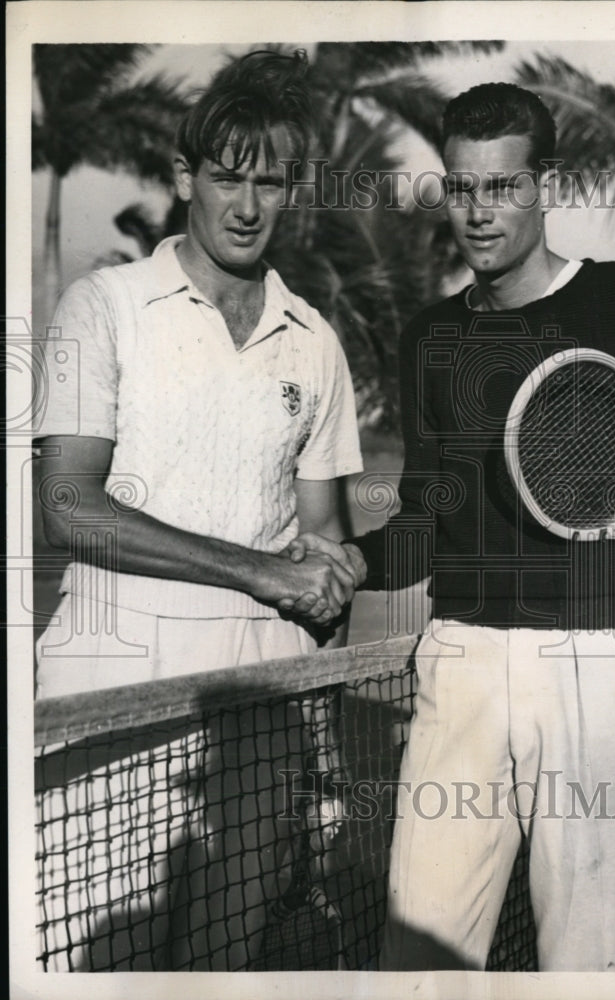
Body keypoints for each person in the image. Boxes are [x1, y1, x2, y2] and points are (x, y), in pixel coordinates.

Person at [285, 82, 615, 971]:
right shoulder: (429, 336)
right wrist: (347, 559)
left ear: (546, 185)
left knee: (591, 966)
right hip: (458, 661)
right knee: (420, 961)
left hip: (598, 664)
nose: (478, 213)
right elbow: (423, 526)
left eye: (501, 187)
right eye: (460, 189)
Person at [33, 49, 362, 970]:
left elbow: (321, 537)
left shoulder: (315, 342)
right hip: (112, 686)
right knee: (100, 967)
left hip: (263, 699)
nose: (248, 206)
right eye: (227, 178)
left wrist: (336, 577)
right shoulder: (102, 306)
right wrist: (262, 569)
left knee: (221, 971)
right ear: (185, 178)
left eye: (271, 181)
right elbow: (67, 503)